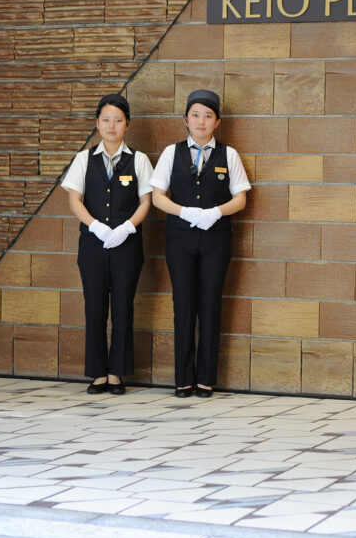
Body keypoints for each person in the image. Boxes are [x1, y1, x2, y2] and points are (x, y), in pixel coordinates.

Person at [150, 89, 250, 398]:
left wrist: (215, 212)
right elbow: (157, 197)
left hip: (216, 240)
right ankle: (183, 379)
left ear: (217, 122)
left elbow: (241, 199)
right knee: (183, 305)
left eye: (208, 116)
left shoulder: (229, 155)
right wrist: (184, 212)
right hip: (179, 239)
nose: (201, 121)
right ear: (186, 120)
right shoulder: (172, 153)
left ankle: (205, 379)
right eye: (195, 115)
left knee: (210, 304)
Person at [61, 93, 154, 395]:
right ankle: (98, 373)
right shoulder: (83, 159)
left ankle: (117, 374)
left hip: (128, 244)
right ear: (97, 123)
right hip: (93, 244)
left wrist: (128, 227)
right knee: (95, 306)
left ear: (127, 124)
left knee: (123, 306)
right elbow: (74, 200)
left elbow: (146, 201)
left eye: (118, 120)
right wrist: (95, 226)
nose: (111, 125)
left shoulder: (139, 160)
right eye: (106, 120)